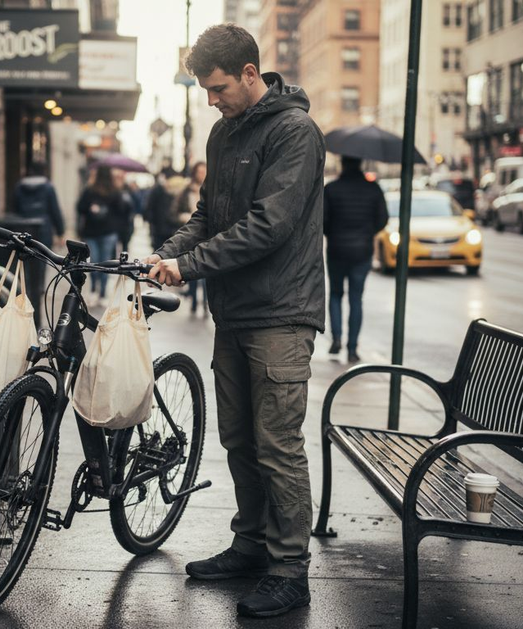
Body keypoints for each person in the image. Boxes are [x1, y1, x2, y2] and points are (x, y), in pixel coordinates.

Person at [146, 24, 326, 618]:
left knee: (278, 446)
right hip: (236, 313)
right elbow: (208, 214)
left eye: (218, 87)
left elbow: (268, 225)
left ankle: (289, 568)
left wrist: (189, 266)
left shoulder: (295, 132)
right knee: (240, 441)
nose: (211, 99)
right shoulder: (224, 134)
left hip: (281, 314)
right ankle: (251, 546)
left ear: (251, 74)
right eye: (204, 89)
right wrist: (167, 254)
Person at [323, 156, 389, 363]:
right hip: (362, 251)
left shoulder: (332, 189)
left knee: (335, 294)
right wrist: (367, 231)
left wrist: (333, 233)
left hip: (337, 249)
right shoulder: (373, 189)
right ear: (360, 165)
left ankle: (336, 339)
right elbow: (382, 219)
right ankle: (352, 348)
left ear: (343, 165)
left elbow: (322, 219)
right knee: (356, 298)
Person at [77, 164, 128, 304]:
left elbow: (80, 208)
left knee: (94, 263)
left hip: (92, 232)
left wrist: (91, 209)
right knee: (106, 263)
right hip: (109, 232)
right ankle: (103, 294)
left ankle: (94, 290)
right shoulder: (115, 191)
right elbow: (122, 211)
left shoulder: (89, 190)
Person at [173, 161, 208, 315]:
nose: (202, 174)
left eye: (204, 171)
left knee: (207, 269)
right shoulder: (187, 191)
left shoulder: (213, 189)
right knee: (192, 267)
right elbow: (174, 211)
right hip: (192, 232)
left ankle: (206, 303)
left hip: (208, 234)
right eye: (199, 171)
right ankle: (193, 300)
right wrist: (184, 217)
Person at [12, 161, 64, 248]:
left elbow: (15, 208)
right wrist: (60, 232)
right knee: (43, 256)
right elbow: (55, 211)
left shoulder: (19, 187)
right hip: (44, 230)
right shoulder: (48, 188)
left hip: (23, 229)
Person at [144, 166, 180, 250]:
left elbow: (149, 209)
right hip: (161, 229)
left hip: (167, 229)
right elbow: (150, 209)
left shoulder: (159, 190)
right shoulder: (158, 190)